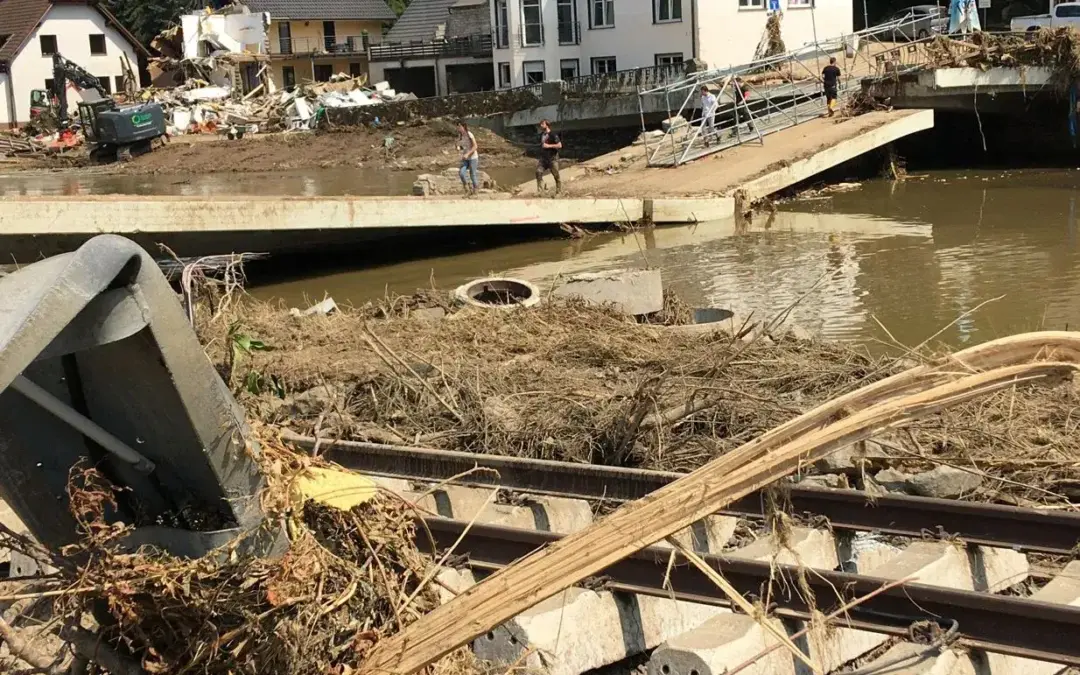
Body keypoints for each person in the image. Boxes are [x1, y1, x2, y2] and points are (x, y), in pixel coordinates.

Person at [536, 119, 562, 194]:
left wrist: (548, 146)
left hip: (552, 158)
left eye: (542, 124)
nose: (541, 126)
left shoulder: (553, 134)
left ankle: (559, 191)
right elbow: (541, 145)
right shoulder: (541, 135)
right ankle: (542, 190)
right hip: (543, 159)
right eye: (540, 124)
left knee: (556, 176)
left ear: (547, 125)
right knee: (538, 172)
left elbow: (559, 145)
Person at [457, 120, 479, 195]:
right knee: (461, 173)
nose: (458, 128)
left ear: (464, 126)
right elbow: (463, 146)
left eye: (460, 126)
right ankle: (467, 190)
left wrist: (468, 154)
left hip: (473, 158)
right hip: (465, 159)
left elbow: (475, 146)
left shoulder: (469, 134)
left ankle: (475, 192)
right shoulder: (460, 136)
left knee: (472, 174)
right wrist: (459, 148)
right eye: (458, 126)